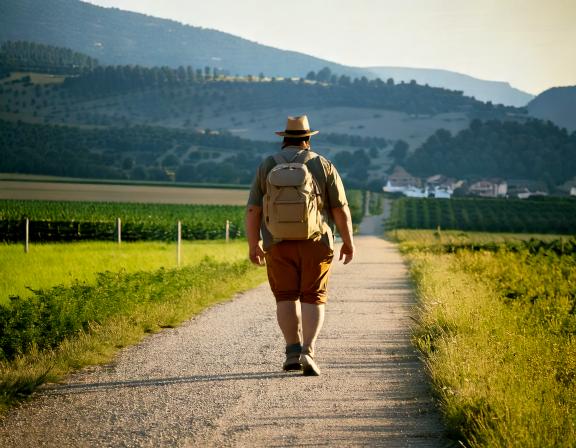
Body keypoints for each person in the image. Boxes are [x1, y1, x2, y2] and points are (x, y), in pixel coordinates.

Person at [246, 115, 355, 376]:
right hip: (315, 243)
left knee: (285, 297)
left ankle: (292, 352)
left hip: (277, 243)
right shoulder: (323, 164)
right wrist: (348, 243)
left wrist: (254, 244)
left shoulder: (267, 165)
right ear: (307, 139)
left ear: (283, 139)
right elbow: (340, 209)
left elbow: (253, 210)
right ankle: (309, 350)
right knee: (313, 296)